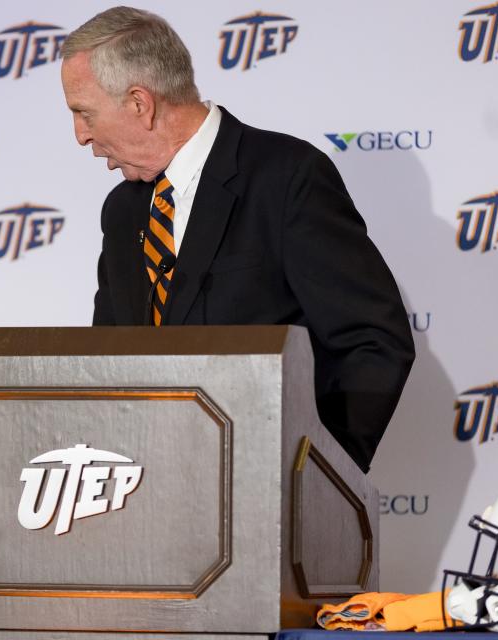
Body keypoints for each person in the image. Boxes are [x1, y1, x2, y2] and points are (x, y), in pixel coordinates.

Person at [60, 7, 415, 472]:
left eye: (83, 113)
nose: (80, 135)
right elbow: (107, 363)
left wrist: (315, 472)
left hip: (264, 493)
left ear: (139, 103)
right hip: (145, 496)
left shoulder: (285, 179)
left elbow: (372, 339)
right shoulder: (123, 210)